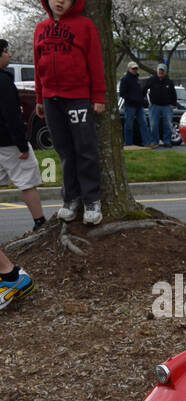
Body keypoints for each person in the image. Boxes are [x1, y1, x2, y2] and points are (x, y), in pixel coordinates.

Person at [32, 0, 104, 225]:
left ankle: (92, 200)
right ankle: (70, 199)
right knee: (64, 151)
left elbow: (95, 62)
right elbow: (37, 63)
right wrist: (39, 97)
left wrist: (98, 96)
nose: (60, 1)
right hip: (50, 99)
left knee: (85, 149)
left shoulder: (85, 26)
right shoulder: (40, 28)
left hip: (78, 97)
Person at [0, 38, 45, 230]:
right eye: (6, 51)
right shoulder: (3, 80)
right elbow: (11, 114)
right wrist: (22, 145)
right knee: (27, 181)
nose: (9, 54)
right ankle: (40, 222)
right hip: (8, 142)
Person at [143, 63, 178, 148]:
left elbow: (173, 94)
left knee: (168, 125)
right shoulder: (151, 80)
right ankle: (155, 142)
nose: (160, 72)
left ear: (165, 72)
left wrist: (173, 104)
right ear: (157, 70)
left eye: (162, 70)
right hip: (154, 106)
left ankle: (167, 141)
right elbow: (143, 90)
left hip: (167, 106)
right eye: (159, 70)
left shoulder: (169, 82)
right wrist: (144, 102)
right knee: (154, 124)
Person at [118, 61, 149, 146]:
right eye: (133, 68)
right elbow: (122, 93)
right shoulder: (125, 79)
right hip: (130, 106)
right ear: (129, 69)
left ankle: (146, 142)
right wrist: (132, 100)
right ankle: (128, 144)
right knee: (129, 125)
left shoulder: (137, 79)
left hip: (139, 106)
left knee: (143, 124)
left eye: (136, 68)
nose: (135, 70)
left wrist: (142, 99)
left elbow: (140, 92)